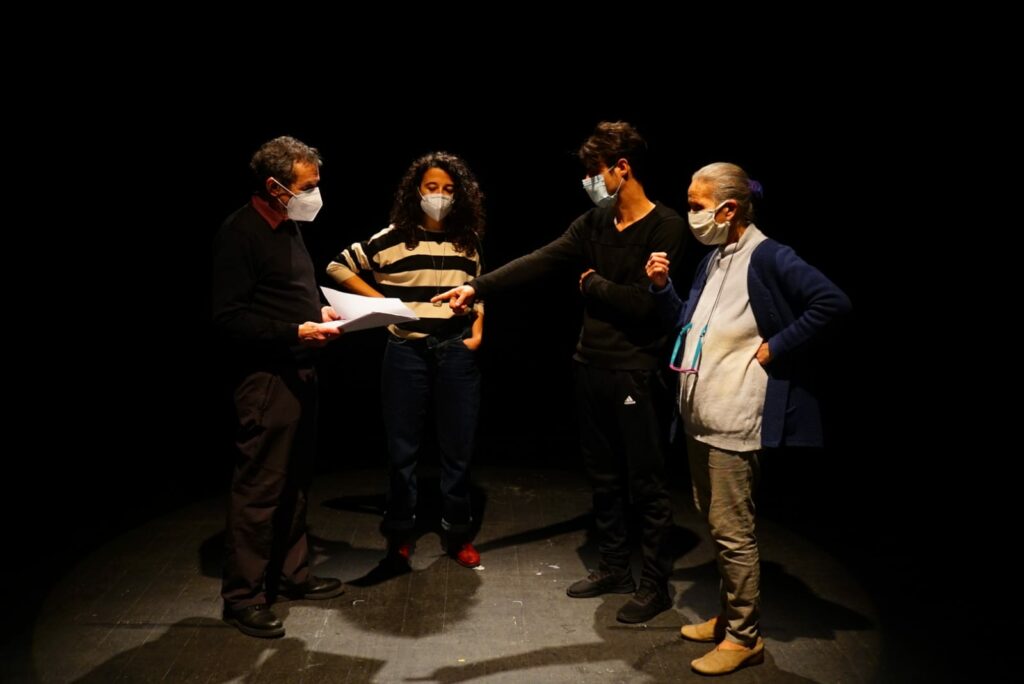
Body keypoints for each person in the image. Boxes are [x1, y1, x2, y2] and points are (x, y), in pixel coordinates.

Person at [433, 122, 685, 623]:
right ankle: (614, 567)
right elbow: (541, 260)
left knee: (647, 483)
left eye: (594, 171)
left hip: (634, 371)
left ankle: (655, 586)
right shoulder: (593, 223)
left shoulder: (666, 226)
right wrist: (477, 287)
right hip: (589, 364)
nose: (588, 181)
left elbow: (644, 304)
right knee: (604, 477)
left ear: (621, 168)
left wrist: (592, 285)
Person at [645, 162, 851, 675]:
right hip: (701, 415)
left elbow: (831, 301)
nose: (691, 214)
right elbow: (687, 324)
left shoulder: (768, 255)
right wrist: (663, 287)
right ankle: (729, 616)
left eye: (696, 205)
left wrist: (777, 346)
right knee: (716, 523)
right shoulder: (715, 258)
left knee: (732, 530)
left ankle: (744, 637)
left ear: (728, 209)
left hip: (734, 418)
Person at [212, 136, 345, 639]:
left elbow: (286, 293)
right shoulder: (240, 233)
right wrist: (294, 332)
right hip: (267, 379)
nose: (315, 194)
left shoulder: (287, 225)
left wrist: (319, 313)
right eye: (307, 186)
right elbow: (229, 318)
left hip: (300, 370)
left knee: (296, 480)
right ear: (275, 186)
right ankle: (243, 597)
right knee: (260, 488)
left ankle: (292, 574)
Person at [326, 152, 486, 569]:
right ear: (417, 190)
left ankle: (457, 533)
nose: (440, 196)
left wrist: (477, 334)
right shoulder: (392, 238)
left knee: (458, 449)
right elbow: (338, 266)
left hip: (454, 350)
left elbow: (477, 288)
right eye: (432, 187)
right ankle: (399, 533)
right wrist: (383, 304)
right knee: (402, 451)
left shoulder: (466, 239)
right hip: (407, 351)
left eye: (448, 189)